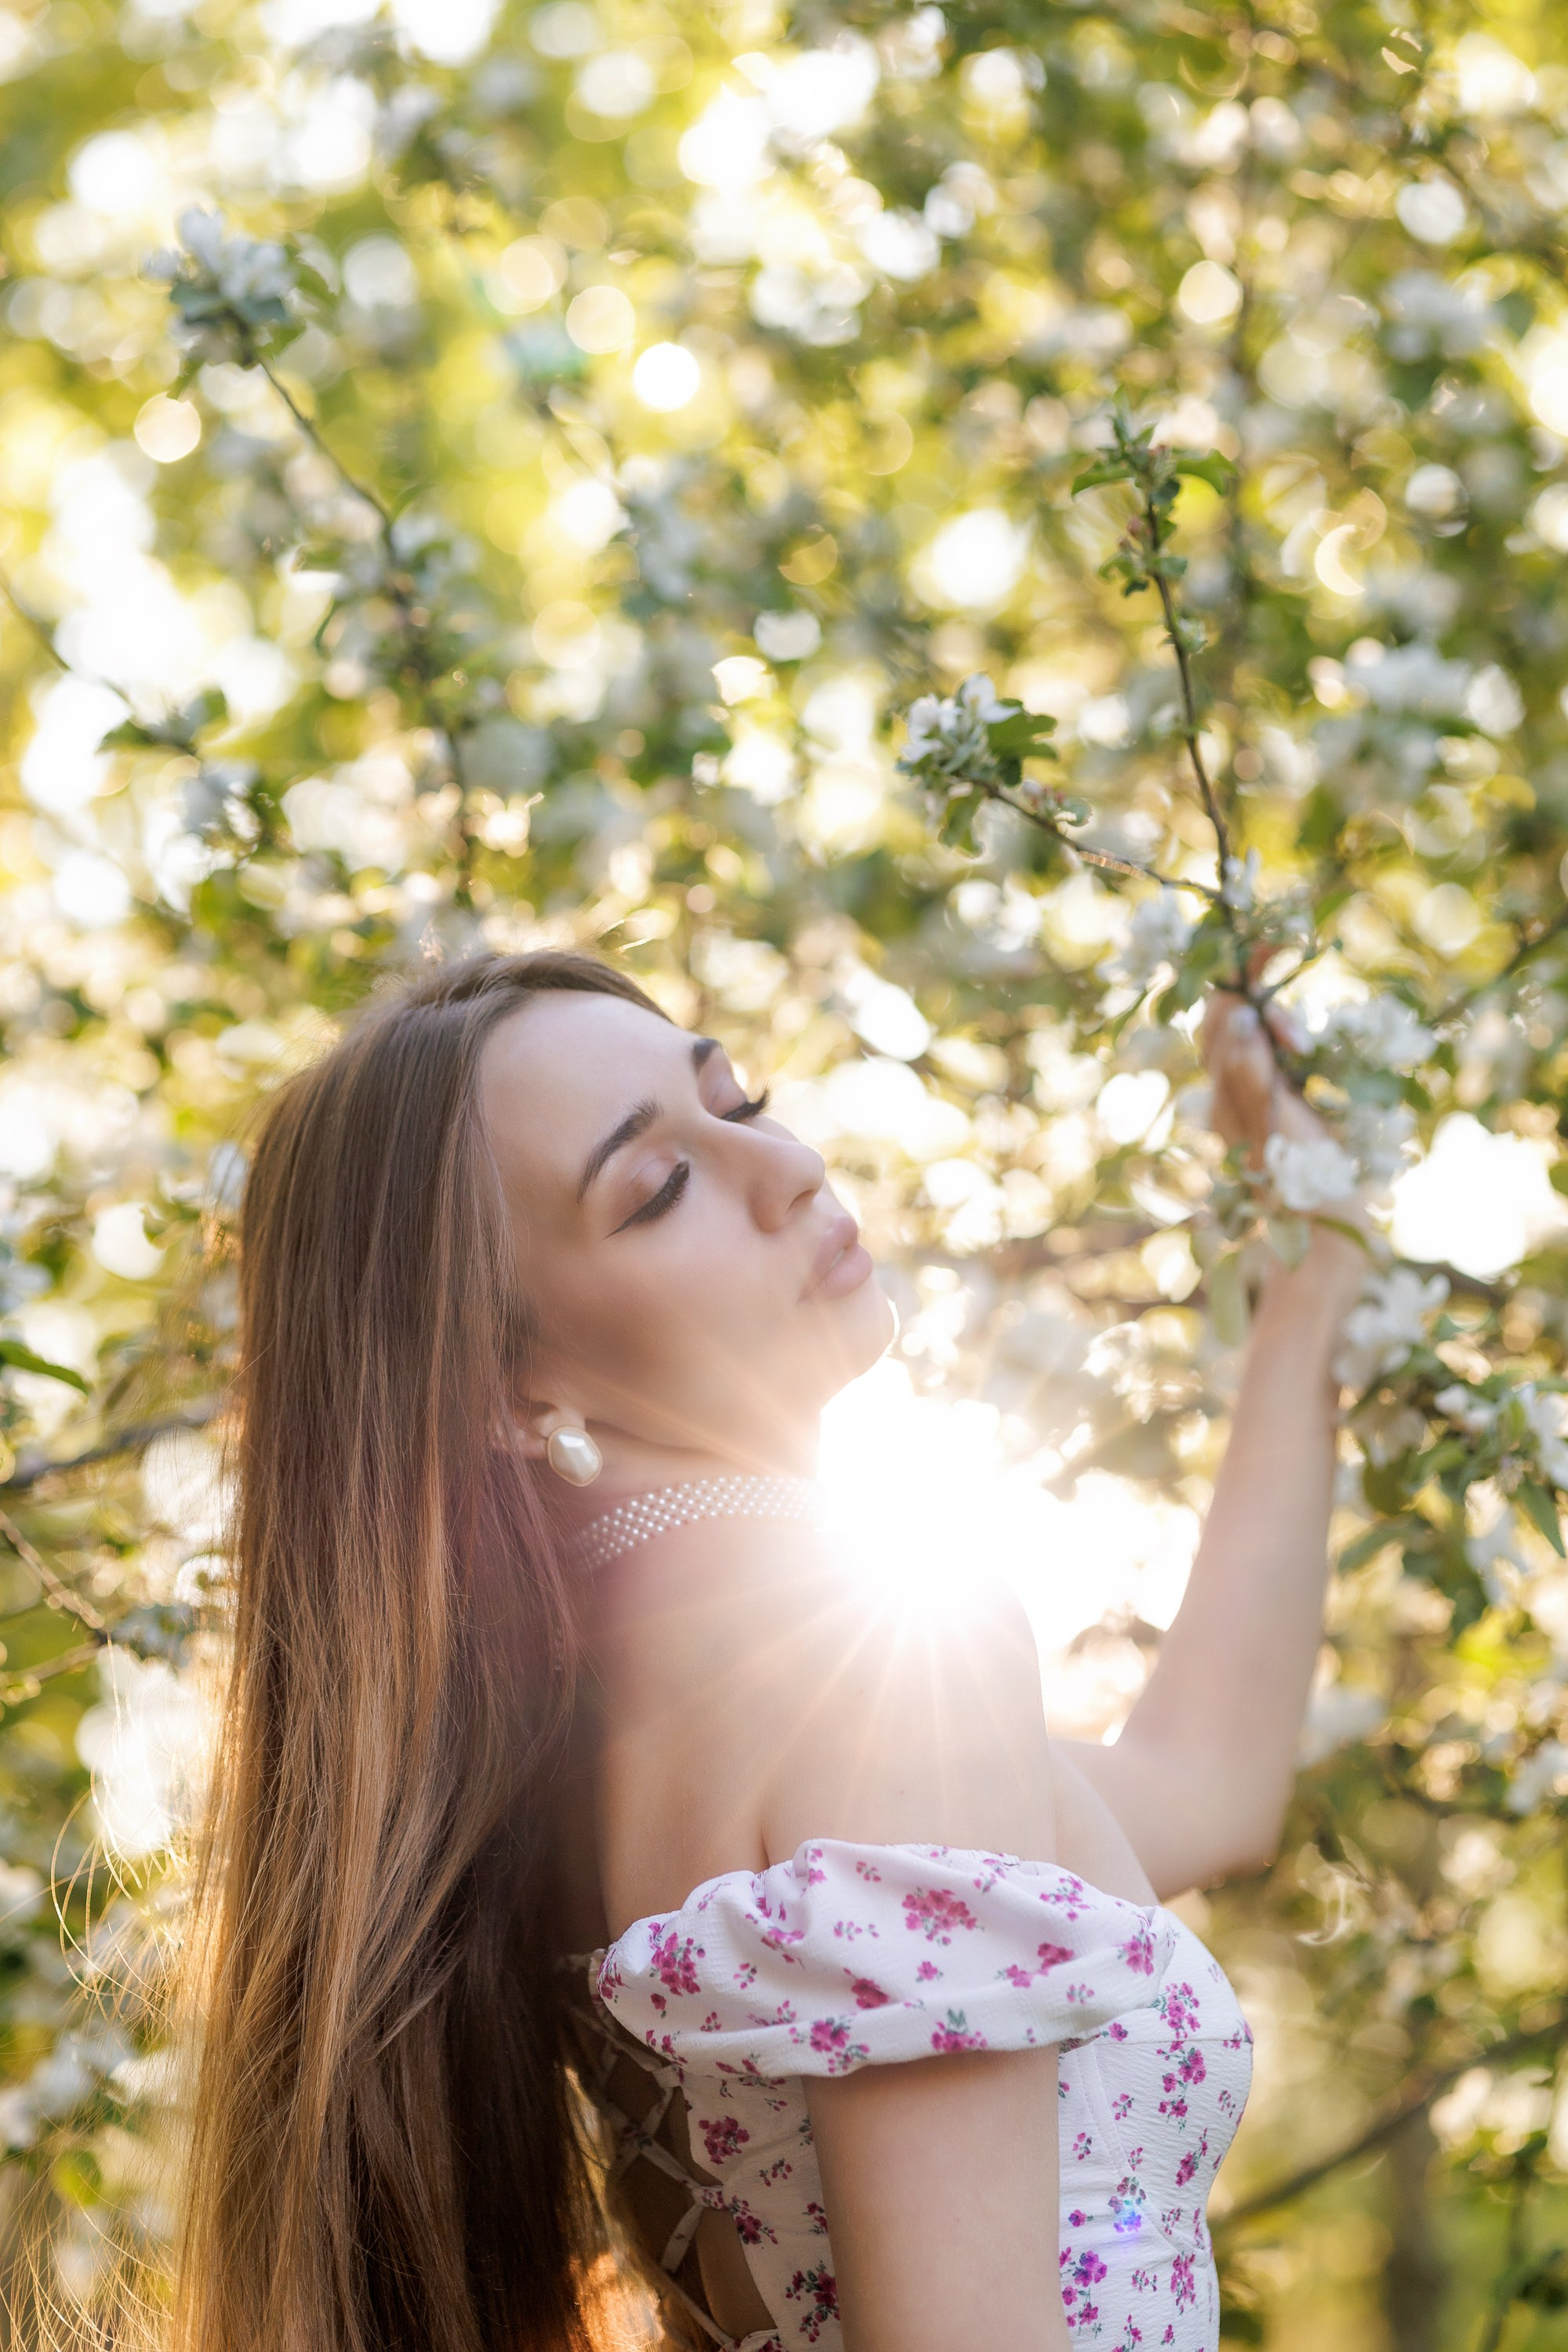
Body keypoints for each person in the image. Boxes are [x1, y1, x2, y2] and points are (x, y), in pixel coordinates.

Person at [176, 948, 1367, 2352]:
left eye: (738, 1097)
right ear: (514, 1387)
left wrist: (1312, 1276)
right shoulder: (858, 1656)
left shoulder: (591, 1736)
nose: (787, 1168)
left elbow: (1207, 1779)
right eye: (658, 1187)